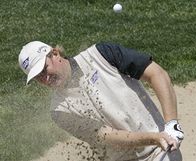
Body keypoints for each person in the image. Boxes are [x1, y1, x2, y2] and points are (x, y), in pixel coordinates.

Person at [18, 41, 184, 161]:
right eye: (39, 77)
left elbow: (157, 74)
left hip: (161, 149)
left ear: (55, 54)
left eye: (44, 69)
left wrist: (171, 125)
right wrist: (152, 137)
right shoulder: (59, 111)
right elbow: (107, 136)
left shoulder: (101, 54)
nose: (45, 78)